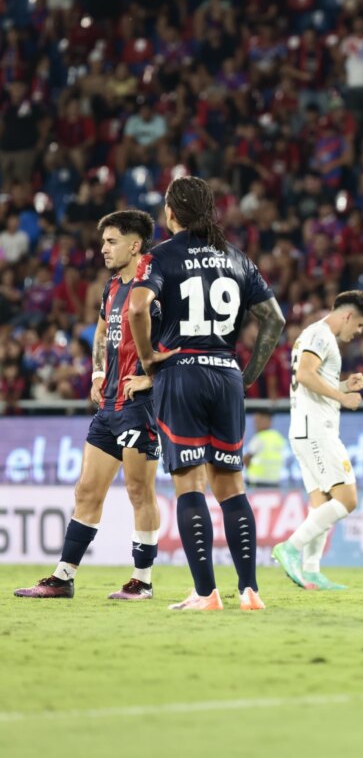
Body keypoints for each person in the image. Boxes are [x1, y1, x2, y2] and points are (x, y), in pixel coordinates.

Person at [127, 176, 286, 611]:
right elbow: (275, 321)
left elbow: (138, 307)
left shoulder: (159, 256)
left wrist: (148, 359)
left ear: (172, 212)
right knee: (233, 487)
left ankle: (205, 594)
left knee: (190, 486)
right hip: (226, 374)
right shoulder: (237, 258)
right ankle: (250, 591)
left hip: (183, 373)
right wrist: (248, 374)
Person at [15, 210, 164, 601]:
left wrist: (152, 377)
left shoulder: (158, 285)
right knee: (86, 490)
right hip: (110, 404)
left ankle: (142, 580)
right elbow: (101, 332)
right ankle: (63, 578)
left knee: (138, 491)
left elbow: (184, 342)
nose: (103, 249)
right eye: (103, 242)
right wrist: (98, 374)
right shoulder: (113, 287)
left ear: (135, 245)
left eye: (111, 241)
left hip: (142, 405)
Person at [272, 291, 363, 592]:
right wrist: (343, 396)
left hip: (305, 428)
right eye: (359, 325)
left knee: (323, 503)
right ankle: (289, 548)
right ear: (347, 316)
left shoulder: (314, 334)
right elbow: (304, 375)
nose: (358, 333)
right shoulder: (321, 334)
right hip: (316, 430)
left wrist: (342, 384)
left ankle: (311, 570)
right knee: (347, 500)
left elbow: (310, 382)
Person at [245, 412, 289, 489]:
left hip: (257, 481)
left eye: (258, 421)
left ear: (269, 421)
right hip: (275, 480)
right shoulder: (278, 437)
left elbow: (246, 459)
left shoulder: (259, 437)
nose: (256, 425)